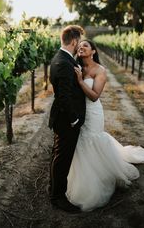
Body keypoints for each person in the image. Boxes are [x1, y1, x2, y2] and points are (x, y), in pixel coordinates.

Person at [66, 39, 144, 212]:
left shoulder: (100, 70)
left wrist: (80, 81)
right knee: (80, 143)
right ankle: (82, 177)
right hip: (79, 112)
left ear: (93, 51)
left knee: (91, 140)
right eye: (79, 47)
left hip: (93, 113)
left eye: (85, 46)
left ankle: (98, 178)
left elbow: (94, 96)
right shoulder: (76, 66)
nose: (81, 48)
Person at [48, 25, 86, 213]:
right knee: (62, 159)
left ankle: (53, 190)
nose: (79, 44)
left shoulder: (61, 58)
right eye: (79, 41)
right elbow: (64, 96)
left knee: (58, 155)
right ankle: (58, 198)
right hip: (66, 120)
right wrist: (74, 119)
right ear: (73, 41)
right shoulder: (64, 62)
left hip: (62, 118)